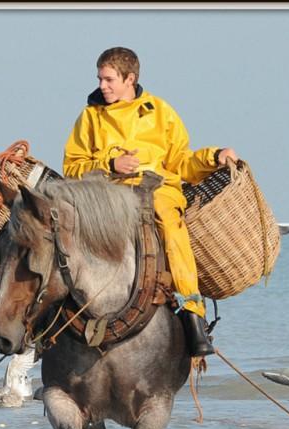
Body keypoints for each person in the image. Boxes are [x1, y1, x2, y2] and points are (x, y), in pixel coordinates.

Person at [63, 46, 238, 357]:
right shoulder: (89, 117)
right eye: (100, 79)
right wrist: (110, 166)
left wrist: (214, 156)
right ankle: (48, 323)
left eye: (109, 80)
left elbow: (182, 163)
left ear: (130, 79)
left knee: (170, 226)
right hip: (105, 196)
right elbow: (71, 167)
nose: (102, 86)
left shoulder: (160, 112)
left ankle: (193, 316)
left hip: (156, 193)